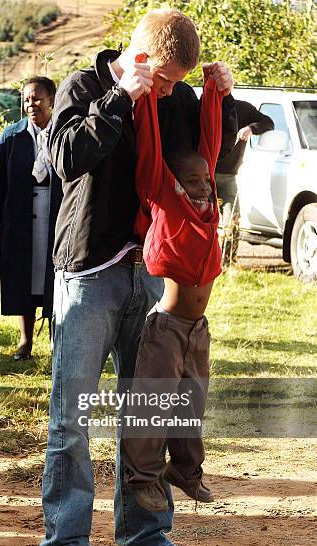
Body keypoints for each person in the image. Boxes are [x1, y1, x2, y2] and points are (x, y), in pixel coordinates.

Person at [39, 8, 236, 546]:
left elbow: (206, 168)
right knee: (72, 418)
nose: (171, 90)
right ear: (142, 57)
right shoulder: (85, 86)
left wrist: (217, 102)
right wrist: (120, 98)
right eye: (167, 79)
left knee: (148, 410)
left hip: (152, 274)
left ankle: (146, 538)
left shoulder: (176, 100)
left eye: (179, 81)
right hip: (88, 272)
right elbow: (63, 159)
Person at [121, 74, 224, 513]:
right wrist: (143, 98)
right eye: (193, 180)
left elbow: (211, 141)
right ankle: (141, 476)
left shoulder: (209, 205)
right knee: (153, 407)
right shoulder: (166, 199)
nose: (202, 185)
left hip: (197, 329)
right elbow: (150, 150)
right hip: (165, 328)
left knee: (191, 405)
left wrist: (216, 92)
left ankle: (184, 470)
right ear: (175, 182)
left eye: (205, 179)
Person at [0, 76, 62, 360]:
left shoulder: (64, 132)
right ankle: (25, 341)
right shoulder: (12, 136)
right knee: (25, 275)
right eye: (26, 100)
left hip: (56, 214)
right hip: (21, 215)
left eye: (37, 98)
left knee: (55, 278)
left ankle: (58, 341)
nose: (31, 104)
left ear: (52, 100)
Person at [215, 98, 274, 265]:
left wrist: (250, 129)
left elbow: (268, 123)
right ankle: (199, 263)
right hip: (204, 175)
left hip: (228, 177)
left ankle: (227, 263)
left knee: (231, 220)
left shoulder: (243, 108)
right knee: (202, 221)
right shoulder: (203, 104)